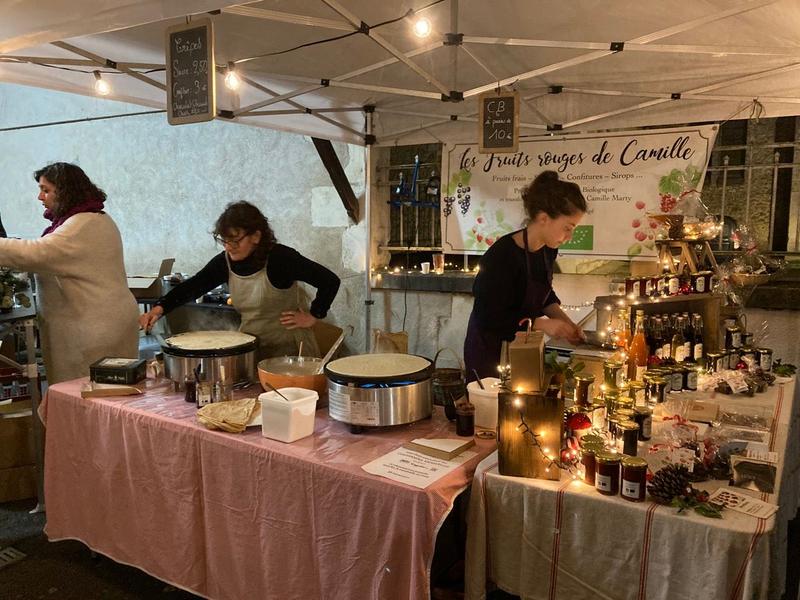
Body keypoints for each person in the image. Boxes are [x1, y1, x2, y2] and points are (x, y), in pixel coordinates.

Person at [139, 201, 340, 359]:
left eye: (235, 241)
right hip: (250, 346)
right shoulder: (224, 262)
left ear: (256, 236)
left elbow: (329, 280)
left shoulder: (281, 258)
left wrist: (314, 315)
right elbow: (194, 286)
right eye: (224, 241)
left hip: (291, 351)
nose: (228, 247)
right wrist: (159, 308)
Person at [0, 162, 139, 384]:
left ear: (65, 192)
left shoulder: (82, 225)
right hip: (99, 322)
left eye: (46, 190)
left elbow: (38, 253)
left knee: (91, 397)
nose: (40, 197)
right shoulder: (92, 218)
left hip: (94, 331)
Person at [464, 170, 587, 381]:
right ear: (543, 218)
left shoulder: (548, 250)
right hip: (489, 350)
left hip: (522, 347)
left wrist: (567, 324)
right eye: (567, 228)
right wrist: (543, 324)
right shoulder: (502, 256)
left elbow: (544, 294)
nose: (569, 236)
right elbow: (490, 316)